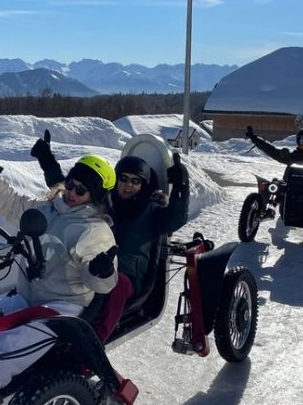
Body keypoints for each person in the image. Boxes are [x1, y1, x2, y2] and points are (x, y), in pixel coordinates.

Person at [0, 149, 119, 396]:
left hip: (63, 304)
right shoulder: (47, 207)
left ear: (95, 197)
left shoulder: (94, 231)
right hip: (27, 294)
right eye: (71, 183)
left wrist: (100, 271)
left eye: (81, 190)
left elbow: (101, 283)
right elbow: (12, 204)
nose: (72, 193)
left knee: (21, 338)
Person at [31, 131, 190, 341]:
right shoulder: (102, 201)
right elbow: (70, 189)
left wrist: (181, 186)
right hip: (93, 264)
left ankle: (94, 341)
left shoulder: (152, 210)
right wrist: (46, 159)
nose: (128, 185)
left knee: (117, 285)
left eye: (136, 181)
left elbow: (176, 218)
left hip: (127, 275)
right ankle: (42, 324)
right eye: (123, 179)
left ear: (143, 185)